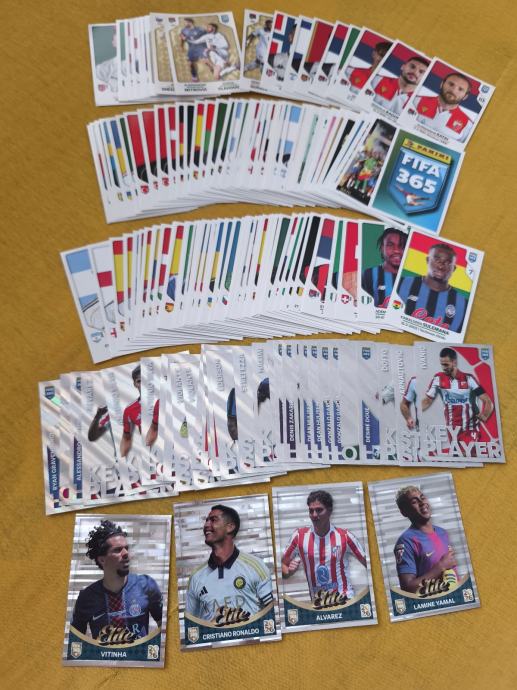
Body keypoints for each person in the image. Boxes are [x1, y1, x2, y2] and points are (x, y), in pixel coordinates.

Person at [71, 520, 162, 640]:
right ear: (102, 560)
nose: (126, 554)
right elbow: (75, 643)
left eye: (126, 548)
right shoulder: (86, 598)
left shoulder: (146, 585)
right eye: (118, 550)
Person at [186, 505, 274, 621]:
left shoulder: (255, 566)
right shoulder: (196, 577)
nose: (206, 525)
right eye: (206, 521)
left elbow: (271, 613)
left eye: (213, 520)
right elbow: (190, 623)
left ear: (230, 527)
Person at [281, 490, 367, 601]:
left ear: (330, 511)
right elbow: (282, 565)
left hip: (344, 599)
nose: (314, 515)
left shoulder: (345, 536)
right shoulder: (299, 536)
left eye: (319, 510)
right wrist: (288, 572)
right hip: (318, 604)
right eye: (311, 511)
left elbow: (369, 563)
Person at [422, 347, 494, 448]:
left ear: (454, 362)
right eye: (442, 364)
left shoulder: (469, 379)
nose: (443, 367)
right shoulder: (438, 378)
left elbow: (487, 401)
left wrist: (484, 415)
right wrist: (417, 414)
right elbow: (427, 400)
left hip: (470, 428)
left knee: (467, 452)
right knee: (459, 455)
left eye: (446, 364)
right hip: (452, 430)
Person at [394, 486, 457, 594]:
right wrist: (441, 566)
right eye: (414, 501)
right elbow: (407, 588)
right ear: (404, 512)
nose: (422, 503)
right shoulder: (406, 542)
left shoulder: (442, 533)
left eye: (422, 498)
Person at [396, 242, 468, 332]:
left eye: (448, 263)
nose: (441, 266)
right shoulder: (400, 283)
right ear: (427, 260)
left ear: (453, 269)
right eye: (437, 260)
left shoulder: (463, 304)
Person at [414, 72, 474, 142]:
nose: (453, 90)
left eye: (460, 89)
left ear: (465, 96)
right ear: (442, 84)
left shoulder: (468, 125)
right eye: (451, 84)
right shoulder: (416, 101)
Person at [362, 228, 407, 307]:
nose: (396, 250)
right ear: (382, 248)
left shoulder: (415, 280)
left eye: (402, 246)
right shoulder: (368, 275)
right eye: (390, 245)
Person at [120, 365, 141, 457]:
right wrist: (122, 458)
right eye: (139, 381)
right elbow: (126, 438)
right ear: (135, 384)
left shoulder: (167, 399)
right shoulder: (130, 410)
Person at [179, 18, 207, 83]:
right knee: (190, 63)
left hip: (201, 47)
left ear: (190, 22)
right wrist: (181, 46)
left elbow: (208, 36)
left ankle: (217, 72)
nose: (184, 24)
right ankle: (194, 77)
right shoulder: (184, 30)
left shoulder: (200, 29)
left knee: (206, 62)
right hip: (192, 48)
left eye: (185, 22)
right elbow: (182, 39)